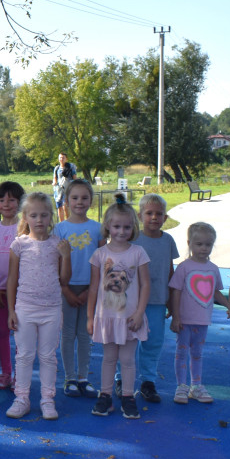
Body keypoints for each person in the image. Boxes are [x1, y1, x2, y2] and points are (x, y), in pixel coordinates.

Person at [6, 192, 71, 420]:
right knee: (24, 355)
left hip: (51, 308)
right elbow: (11, 280)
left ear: (51, 216)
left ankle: (47, 399)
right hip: (25, 308)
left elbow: (65, 280)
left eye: (44, 215)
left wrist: (67, 256)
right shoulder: (19, 245)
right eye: (34, 215)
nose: (40, 220)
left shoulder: (57, 245)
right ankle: (21, 398)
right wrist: (12, 310)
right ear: (25, 217)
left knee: (47, 356)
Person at [88, 195, 149, 420]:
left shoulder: (138, 253)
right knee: (108, 358)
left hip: (130, 317)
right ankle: (105, 395)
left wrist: (140, 312)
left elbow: (145, 285)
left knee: (128, 359)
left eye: (126, 227)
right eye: (116, 226)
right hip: (106, 317)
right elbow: (94, 288)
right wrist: (89, 317)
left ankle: (127, 396)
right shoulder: (100, 254)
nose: (121, 231)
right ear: (107, 226)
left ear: (133, 227)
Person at [169, 222, 230, 404]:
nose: (204, 248)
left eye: (208, 244)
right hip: (185, 320)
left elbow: (215, 292)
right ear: (189, 243)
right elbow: (175, 291)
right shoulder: (184, 267)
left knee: (197, 353)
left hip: (202, 321)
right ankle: (181, 386)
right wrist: (175, 316)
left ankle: (196, 386)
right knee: (182, 352)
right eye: (199, 244)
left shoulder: (213, 269)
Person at [54, 179, 102, 399]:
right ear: (66, 201)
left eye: (84, 198)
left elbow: (102, 261)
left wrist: (91, 289)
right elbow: (55, 263)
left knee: (85, 334)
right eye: (74, 198)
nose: (79, 202)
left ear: (91, 201)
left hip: (90, 288)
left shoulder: (97, 228)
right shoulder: (60, 229)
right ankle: (69, 378)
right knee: (67, 334)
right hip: (67, 288)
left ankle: (83, 377)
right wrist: (65, 290)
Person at [131, 194, 179, 402]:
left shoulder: (168, 240)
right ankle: (120, 378)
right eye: (149, 213)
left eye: (159, 214)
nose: (154, 217)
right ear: (140, 215)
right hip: (132, 302)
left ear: (165, 218)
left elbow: (170, 271)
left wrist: (172, 302)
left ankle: (148, 381)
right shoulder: (133, 239)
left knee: (154, 342)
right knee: (127, 341)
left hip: (158, 300)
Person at [0, 181, 24, 390]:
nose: (6, 204)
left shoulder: (25, 229)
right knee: (1, 333)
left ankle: (21, 373)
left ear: (20, 202)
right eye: (1, 199)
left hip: (21, 292)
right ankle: (6, 372)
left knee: (20, 332)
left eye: (12, 199)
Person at [52, 152, 77, 222]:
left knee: (65, 206)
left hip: (67, 189)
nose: (61, 159)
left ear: (66, 159)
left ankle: (68, 221)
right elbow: (55, 178)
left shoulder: (70, 167)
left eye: (63, 158)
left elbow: (75, 177)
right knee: (59, 207)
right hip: (59, 190)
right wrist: (54, 183)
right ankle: (61, 222)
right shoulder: (56, 168)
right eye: (60, 157)